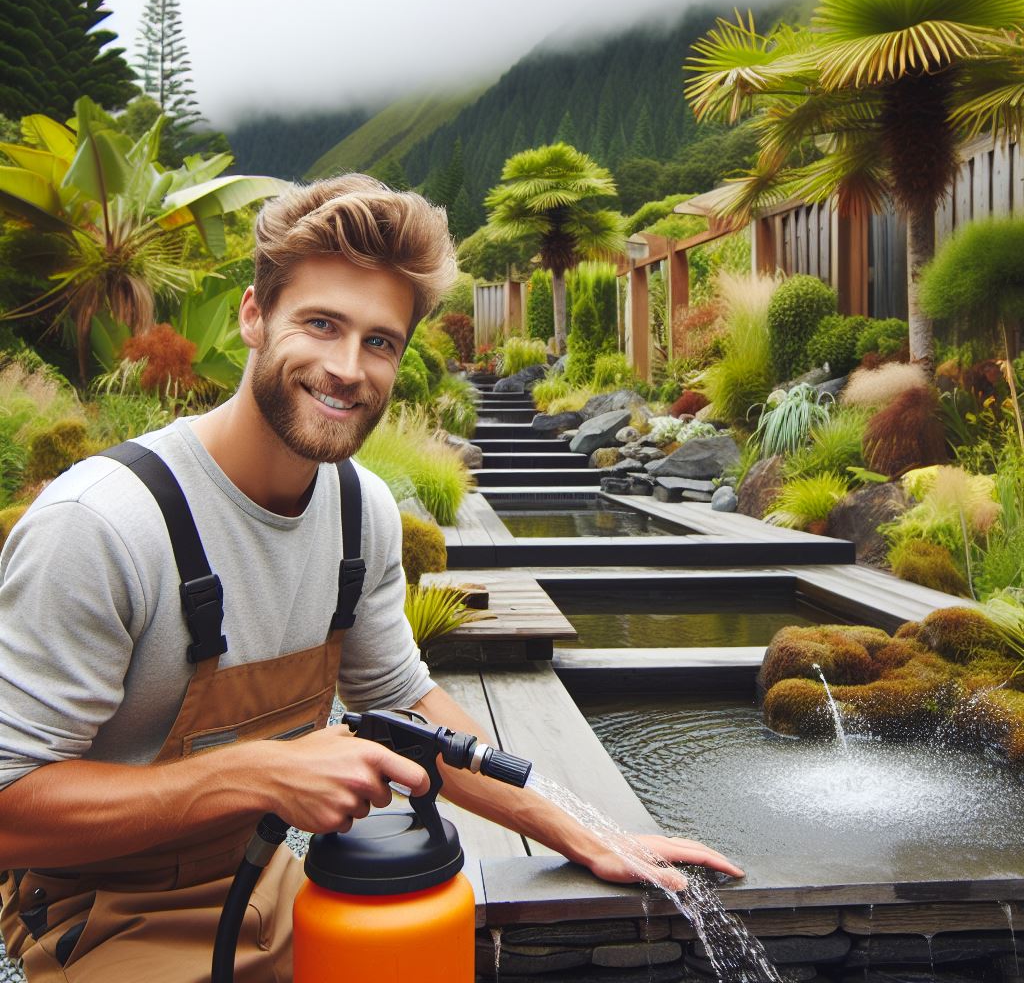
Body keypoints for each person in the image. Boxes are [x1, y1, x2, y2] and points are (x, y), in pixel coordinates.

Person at [0, 175, 741, 982]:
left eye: (380, 341)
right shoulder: (104, 525)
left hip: (272, 882)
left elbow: (403, 701)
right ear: (254, 315)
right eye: (320, 324)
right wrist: (250, 773)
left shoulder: (362, 512)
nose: (348, 368)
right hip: (99, 917)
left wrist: (578, 827)